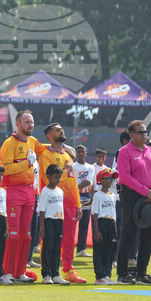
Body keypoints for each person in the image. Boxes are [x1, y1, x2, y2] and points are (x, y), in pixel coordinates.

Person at [0, 110, 48, 283]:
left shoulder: (33, 141)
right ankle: (6, 272)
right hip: (13, 190)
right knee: (13, 234)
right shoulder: (9, 143)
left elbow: (45, 148)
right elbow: (6, 169)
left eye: (32, 122)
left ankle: (19, 272)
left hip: (29, 192)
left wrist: (63, 147)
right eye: (27, 122)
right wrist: (27, 163)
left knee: (27, 235)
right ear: (18, 124)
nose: (30, 125)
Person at [115, 120, 151, 285]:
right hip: (132, 196)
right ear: (131, 135)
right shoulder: (124, 151)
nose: (144, 135)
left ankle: (141, 273)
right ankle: (122, 274)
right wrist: (145, 191)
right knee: (128, 234)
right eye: (141, 132)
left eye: (145, 132)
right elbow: (124, 177)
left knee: (148, 236)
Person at [38, 122, 86, 284]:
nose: (62, 131)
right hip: (54, 203)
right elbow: (47, 179)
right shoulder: (46, 156)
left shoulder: (68, 156)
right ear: (50, 136)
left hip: (70, 202)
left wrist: (78, 204)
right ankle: (47, 272)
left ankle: (68, 271)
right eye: (58, 130)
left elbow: (74, 182)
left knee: (68, 239)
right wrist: (66, 171)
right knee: (49, 240)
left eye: (61, 129)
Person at [39, 164, 69, 284]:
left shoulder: (60, 191)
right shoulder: (45, 191)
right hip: (49, 221)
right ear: (48, 176)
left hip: (59, 221)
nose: (58, 180)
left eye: (59, 177)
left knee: (57, 247)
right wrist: (42, 227)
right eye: (55, 177)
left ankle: (55, 274)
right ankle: (46, 274)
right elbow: (41, 210)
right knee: (48, 247)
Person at [92, 168, 119, 285]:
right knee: (100, 250)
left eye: (111, 179)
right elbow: (95, 214)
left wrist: (115, 228)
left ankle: (107, 274)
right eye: (107, 179)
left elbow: (114, 214)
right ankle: (99, 276)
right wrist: (96, 230)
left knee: (110, 250)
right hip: (101, 222)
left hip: (111, 223)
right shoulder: (97, 195)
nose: (110, 181)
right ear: (101, 180)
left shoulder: (113, 195)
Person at [74, 145, 95, 258]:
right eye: (78, 152)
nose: (80, 153)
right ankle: (66, 248)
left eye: (83, 151)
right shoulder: (72, 166)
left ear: (86, 154)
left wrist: (92, 197)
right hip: (74, 196)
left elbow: (88, 182)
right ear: (76, 154)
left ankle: (81, 249)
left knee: (84, 224)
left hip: (85, 196)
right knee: (72, 224)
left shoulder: (90, 167)